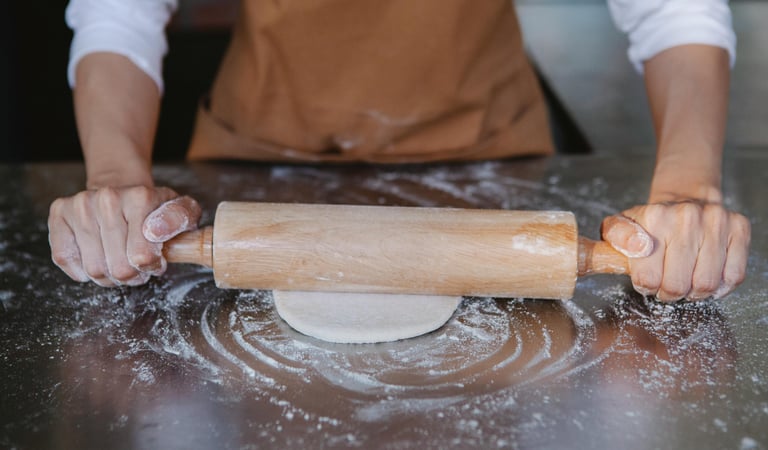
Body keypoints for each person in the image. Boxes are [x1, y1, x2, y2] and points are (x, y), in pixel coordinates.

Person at [48, 0, 751, 302]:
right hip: (259, 155)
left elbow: (673, 10)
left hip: (489, 153)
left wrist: (688, 189)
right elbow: (121, 10)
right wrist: (115, 178)